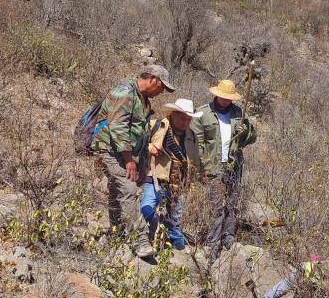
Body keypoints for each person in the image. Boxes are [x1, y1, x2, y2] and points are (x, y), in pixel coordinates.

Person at [90, 64, 174, 258]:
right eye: (162, 87)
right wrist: (129, 161)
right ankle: (140, 240)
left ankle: (117, 233)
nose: (162, 92)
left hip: (128, 153)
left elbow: (142, 134)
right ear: (153, 79)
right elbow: (118, 128)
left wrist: (142, 163)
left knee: (117, 190)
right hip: (111, 150)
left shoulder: (143, 100)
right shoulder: (125, 93)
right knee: (128, 189)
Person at [190, 79, 257, 260]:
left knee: (232, 203)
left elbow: (250, 139)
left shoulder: (239, 114)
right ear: (216, 95)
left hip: (234, 165)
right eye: (222, 97)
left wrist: (246, 130)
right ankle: (213, 243)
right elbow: (196, 141)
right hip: (212, 166)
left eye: (229, 98)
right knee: (216, 207)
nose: (225, 101)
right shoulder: (203, 113)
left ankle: (228, 237)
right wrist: (201, 166)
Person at [140, 99, 203, 250]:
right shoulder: (157, 125)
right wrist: (148, 146)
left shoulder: (191, 136)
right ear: (173, 115)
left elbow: (194, 160)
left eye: (188, 119)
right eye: (182, 118)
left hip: (179, 182)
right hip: (156, 177)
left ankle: (172, 236)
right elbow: (135, 140)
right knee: (147, 208)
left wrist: (192, 182)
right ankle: (154, 228)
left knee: (174, 215)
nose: (185, 122)